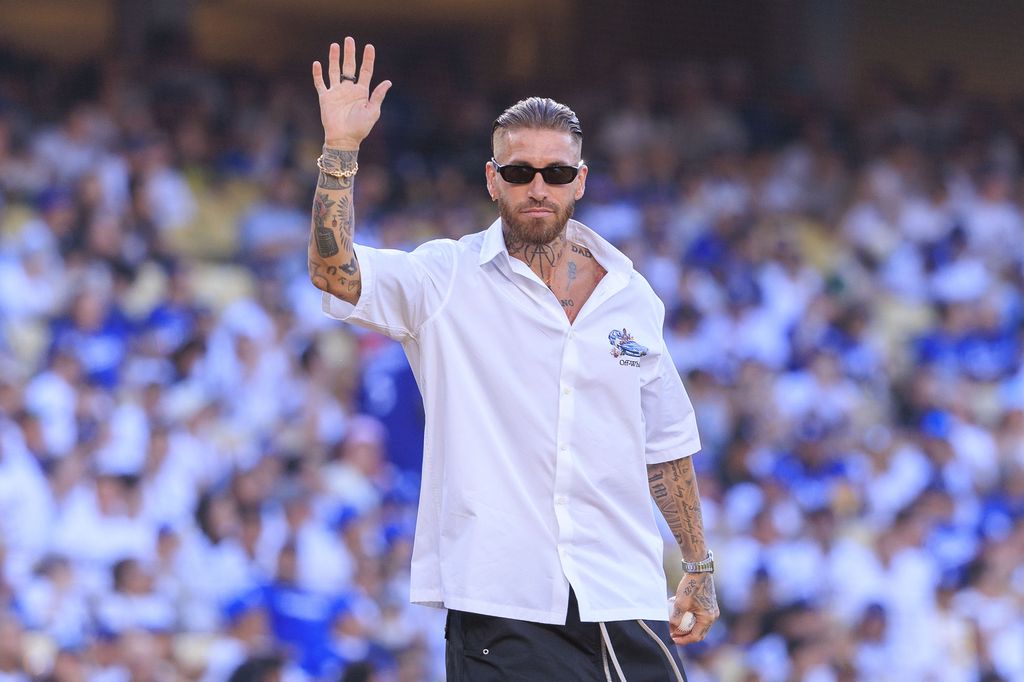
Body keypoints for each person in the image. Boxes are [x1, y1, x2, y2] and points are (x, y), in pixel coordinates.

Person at [307, 37, 720, 681]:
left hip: (623, 593)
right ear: (491, 179)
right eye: (519, 171)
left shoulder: (629, 293)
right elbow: (335, 274)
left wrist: (697, 566)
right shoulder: (445, 278)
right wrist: (341, 152)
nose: (538, 187)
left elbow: (665, 445)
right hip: (503, 602)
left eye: (555, 173)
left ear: (579, 182)